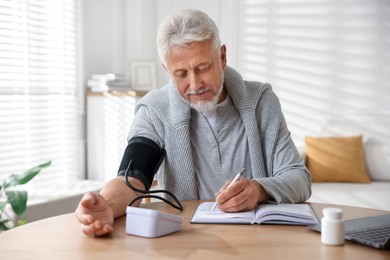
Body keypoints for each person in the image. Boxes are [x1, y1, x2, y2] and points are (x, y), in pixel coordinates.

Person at [75, 9, 311, 236]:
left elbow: (299, 178)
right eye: (181, 74)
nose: (195, 84)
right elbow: (132, 177)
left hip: (260, 238)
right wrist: (105, 203)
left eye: (203, 68)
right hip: (187, 239)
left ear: (222, 57)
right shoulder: (155, 110)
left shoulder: (261, 101)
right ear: (167, 70)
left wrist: (259, 189)